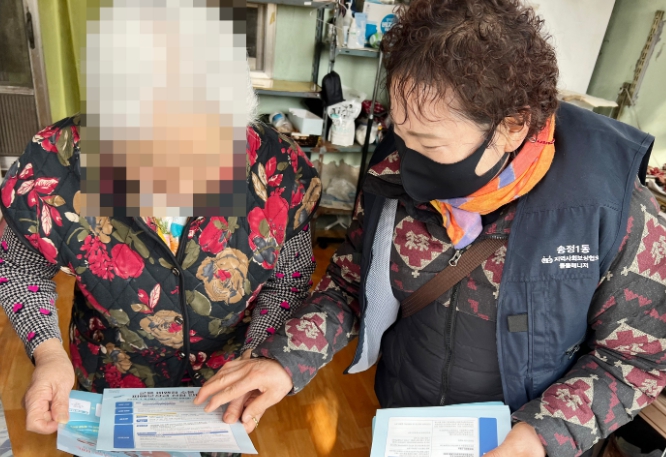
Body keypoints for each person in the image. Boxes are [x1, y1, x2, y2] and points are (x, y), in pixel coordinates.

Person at [193, 1, 666, 456]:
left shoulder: (612, 212)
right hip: (408, 422)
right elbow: (350, 286)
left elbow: (635, 360)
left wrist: (543, 436)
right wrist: (284, 360)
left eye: (429, 143)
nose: (407, 160)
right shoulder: (392, 174)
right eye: (400, 133)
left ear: (512, 126)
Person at [0, 3, 321, 457]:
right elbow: (19, 268)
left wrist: (256, 359)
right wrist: (48, 352)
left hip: (222, 389)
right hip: (112, 380)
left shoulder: (279, 168)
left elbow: (289, 278)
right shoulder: (56, 164)